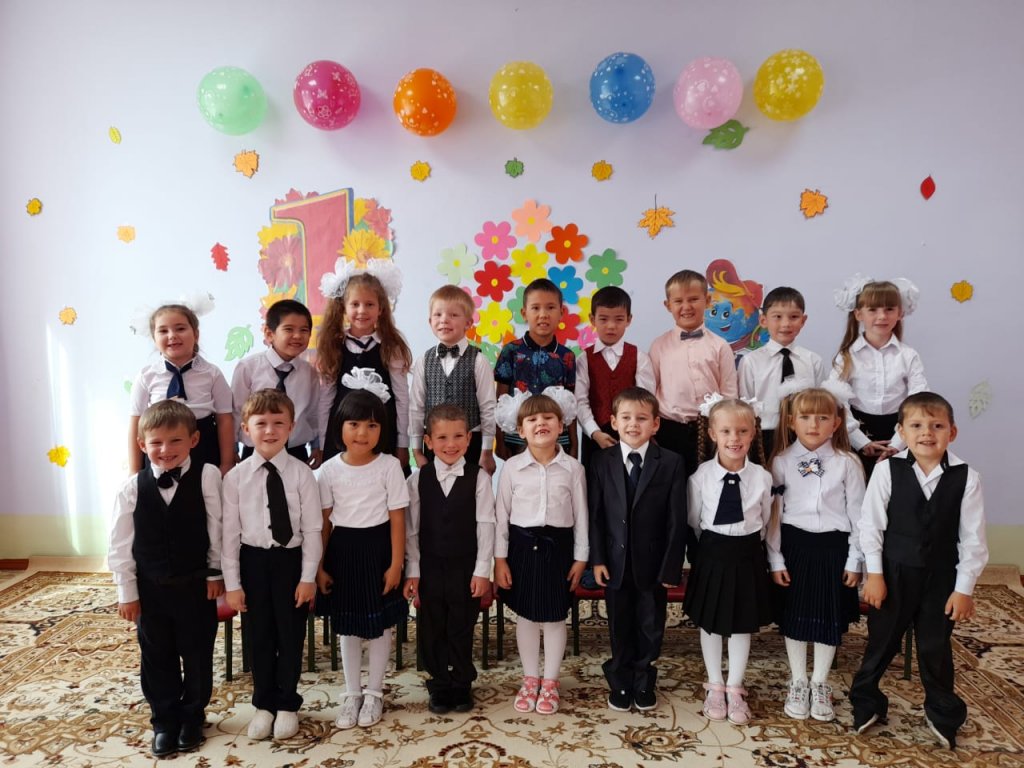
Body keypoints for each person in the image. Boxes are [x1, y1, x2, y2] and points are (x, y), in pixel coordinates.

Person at [850, 392, 987, 750]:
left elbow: (973, 539)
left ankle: (942, 711)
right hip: (893, 574)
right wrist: (874, 575)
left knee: (934, 646)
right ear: (901, 432)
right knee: (881, 642)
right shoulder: (887, 470)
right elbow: (871, 525)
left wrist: (964, 589)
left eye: (937, 425)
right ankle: (867, 701)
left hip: (940, 577)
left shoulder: (966, 477)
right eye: (916, 425)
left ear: (952, 432)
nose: (927, 433)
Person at [108, 400, 224, 758]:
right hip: (151, 588)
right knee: (156, 656)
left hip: (195, 585)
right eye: (156, 442)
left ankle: (193, 716)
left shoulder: (207, 476)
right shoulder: (131, 487)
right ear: (142, 445)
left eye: (175, 441)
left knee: (198, 653)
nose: (165, 449)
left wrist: (215, 572)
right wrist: (127, 592)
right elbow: (119, 544)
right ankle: (164, 720)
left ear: (194, 440)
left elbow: (217, 528)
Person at [221, 390, 322, 740]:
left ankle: (287, 703)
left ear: (291, 427)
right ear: (245, 428)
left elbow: (313, 529)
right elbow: (229, 535)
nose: (269, 430)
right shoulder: (235, 478)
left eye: (278, 423)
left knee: (291, 635)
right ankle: (264, 704)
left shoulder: (302, 475)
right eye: (261, 423)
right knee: (259, 636)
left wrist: (308, 577)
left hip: (290, 562)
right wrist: (233, 584)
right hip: (252, 562)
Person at [766, 384, 865, 722]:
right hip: (795, 546)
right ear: (791, 421)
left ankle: (820, 682)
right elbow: (773, 516)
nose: (813, 424)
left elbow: (859, 515)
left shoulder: (848, 463)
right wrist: (775, 558)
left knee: (827, 616)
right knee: (795, 616)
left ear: (836, 423)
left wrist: (855, 559)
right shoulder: (780, 462)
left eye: (823, 418)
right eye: (806, 417)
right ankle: (798, 680)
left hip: (834, 548)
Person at [588, 387, 686, 712]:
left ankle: (644, 679)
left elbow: (676, 519)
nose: (633, 424)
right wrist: (597, 559)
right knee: (619, 624)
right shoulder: (600, 461)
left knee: (649, 624)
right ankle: (619, 679)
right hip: (614, 561)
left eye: (642, 418)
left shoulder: (671, 462)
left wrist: (671, 566)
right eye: (626, 418)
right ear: (613, 422)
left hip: (653, 563)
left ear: (655, 424)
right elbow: (595, 515)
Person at [316, 389, 409, 730]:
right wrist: (319, 567)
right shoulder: (328, 470)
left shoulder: (389, 466)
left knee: (380, 626)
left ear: (382, 430)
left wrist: (396, 564)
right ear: (339, 426)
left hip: (379, 549)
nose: (362, 433)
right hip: (343, 551)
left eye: (371, 426)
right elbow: (324, 523)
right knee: (349, 626)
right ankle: (352, 692)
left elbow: (397, 519)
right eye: (354, 424)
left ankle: (374, 692)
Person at [494, 390, 588, 715]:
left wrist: (581, 557)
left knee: (554, 616)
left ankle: (550, 681)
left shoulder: (573, 469)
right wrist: (500, 559)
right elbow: (501, 515)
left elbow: (582, 515)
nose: (540, 423)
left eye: (548, 417)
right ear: (520, 430)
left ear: (561, 425)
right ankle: (530, 678)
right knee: (527, 615)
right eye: (532, 419)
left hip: (558, 549)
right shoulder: (511, 468)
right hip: (521, 548)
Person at [685, 398, 773, 726]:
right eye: (726, 431)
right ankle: (714, 684)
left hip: (747, 553)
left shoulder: (762, 477)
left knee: (740, 622)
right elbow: (694, 519)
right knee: (711, 621)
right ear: (712, 433)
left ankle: (735, 687)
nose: (734, 438)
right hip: (712, 551)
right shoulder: (701, 476)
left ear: (753, 433)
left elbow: (765, 520)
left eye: (742, 431)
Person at [404, 404, 496, 714]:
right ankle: (439, 683)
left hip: (465, 566)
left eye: (458, 436)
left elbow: (486, 525)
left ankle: (461, 682)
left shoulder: (479, 478)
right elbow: (411, 530)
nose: (451, 444)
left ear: (469, 439)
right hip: (429, 566)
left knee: (461, 623)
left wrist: (482, 571)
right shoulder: (418, 479)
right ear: (428, 442)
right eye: (442, 437)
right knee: (432, 625)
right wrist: (413, 570)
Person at [317, 259, 412, 470]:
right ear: (343, 307)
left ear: (381, 309)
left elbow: (402, 398)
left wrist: (402, 443)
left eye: (369, 304)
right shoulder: (334, 345)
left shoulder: (391, 346)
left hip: (383, 434)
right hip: (342, 436)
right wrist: (322, 443)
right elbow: (326, 398)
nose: (362, 310)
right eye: (355, 304)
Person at [829, 275, 927, 478]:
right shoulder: (846, 357)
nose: (882, 316)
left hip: (900, 431)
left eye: (889, 309)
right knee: (859, 485)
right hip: (858, 431)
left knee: (897, 487)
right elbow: (836, 401)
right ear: (858, 314)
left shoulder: (908, 355)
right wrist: (860, 441)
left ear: (900, 313)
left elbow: (918, 399)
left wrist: (898, 442)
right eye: (873, 309)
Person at [648, 270, 738, 477]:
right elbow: (650, 392)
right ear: (668, 305)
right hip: (668, 431)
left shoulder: (720, 346)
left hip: (710, 430)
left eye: (693, 299)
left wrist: (726, 431)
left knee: (709, 484)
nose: (686, 307)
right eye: (678, 301)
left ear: (708, 300)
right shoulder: (659, 346)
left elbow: (729, 394)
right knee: (672, 486)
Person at [128, 302, 234, 476]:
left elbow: (225, 419)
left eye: (180, 328)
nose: (172, 335)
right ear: (154, 339)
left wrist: (227, 463)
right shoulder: (146, 376)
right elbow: (136, 422)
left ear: (196, 334)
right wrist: (134, 470)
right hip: (161, 450)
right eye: (163, 331)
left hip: (203, 446)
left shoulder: (212, 373)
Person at [409, 285, 497, 475]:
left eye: (453, 315)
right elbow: (416, 407)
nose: (444, 320)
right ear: (430, 321)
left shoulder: (479, 361)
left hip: (471, 444)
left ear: (468, 323)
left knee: (469, 490)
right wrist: (416, 451)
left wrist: (487, 451)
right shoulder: (423, 360)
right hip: (433, 443)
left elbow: (488, 407)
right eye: (438, 314)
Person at [231, 299, 321, 467]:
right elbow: (236, 410)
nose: (297, 336)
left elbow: (313, 412)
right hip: (256, 450)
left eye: (304, 330)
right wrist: (231, 446)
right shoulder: (248, 367)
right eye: (289, 329)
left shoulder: (309, 372)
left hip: (296, 450)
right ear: (269, 333)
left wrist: (317, 443)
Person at [494, 278, 578, 459]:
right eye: (535, 308)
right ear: (524, 313)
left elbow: (571, 401)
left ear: (561, 313)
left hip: (557, 438)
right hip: (518, 437)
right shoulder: (511, 351)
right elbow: (500, 399)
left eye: (550, 307)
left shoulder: (567, 356)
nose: (543, 314)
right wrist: (499, 441)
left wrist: (574, 443)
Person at [738, 286, 824, 459]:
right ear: (763, 320)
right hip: (764, 436)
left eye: (794, 317)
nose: (786, 324)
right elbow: (744, 405)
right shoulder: (751, 361)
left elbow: (820, 404)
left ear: (803, 320)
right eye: (777, 317)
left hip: (804, 435)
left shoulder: (813, 360)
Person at [575, 286, 656, 467]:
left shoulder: (639, 357)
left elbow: (646, 400)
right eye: (603, 319)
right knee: (595, 481)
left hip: (633, 434)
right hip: (595, 437)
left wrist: (635, 430)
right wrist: (594, 432)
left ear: (629, 320)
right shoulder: (584, 359)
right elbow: (580, 401)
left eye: (619, 319)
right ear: (592, 319)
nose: (611, 326)